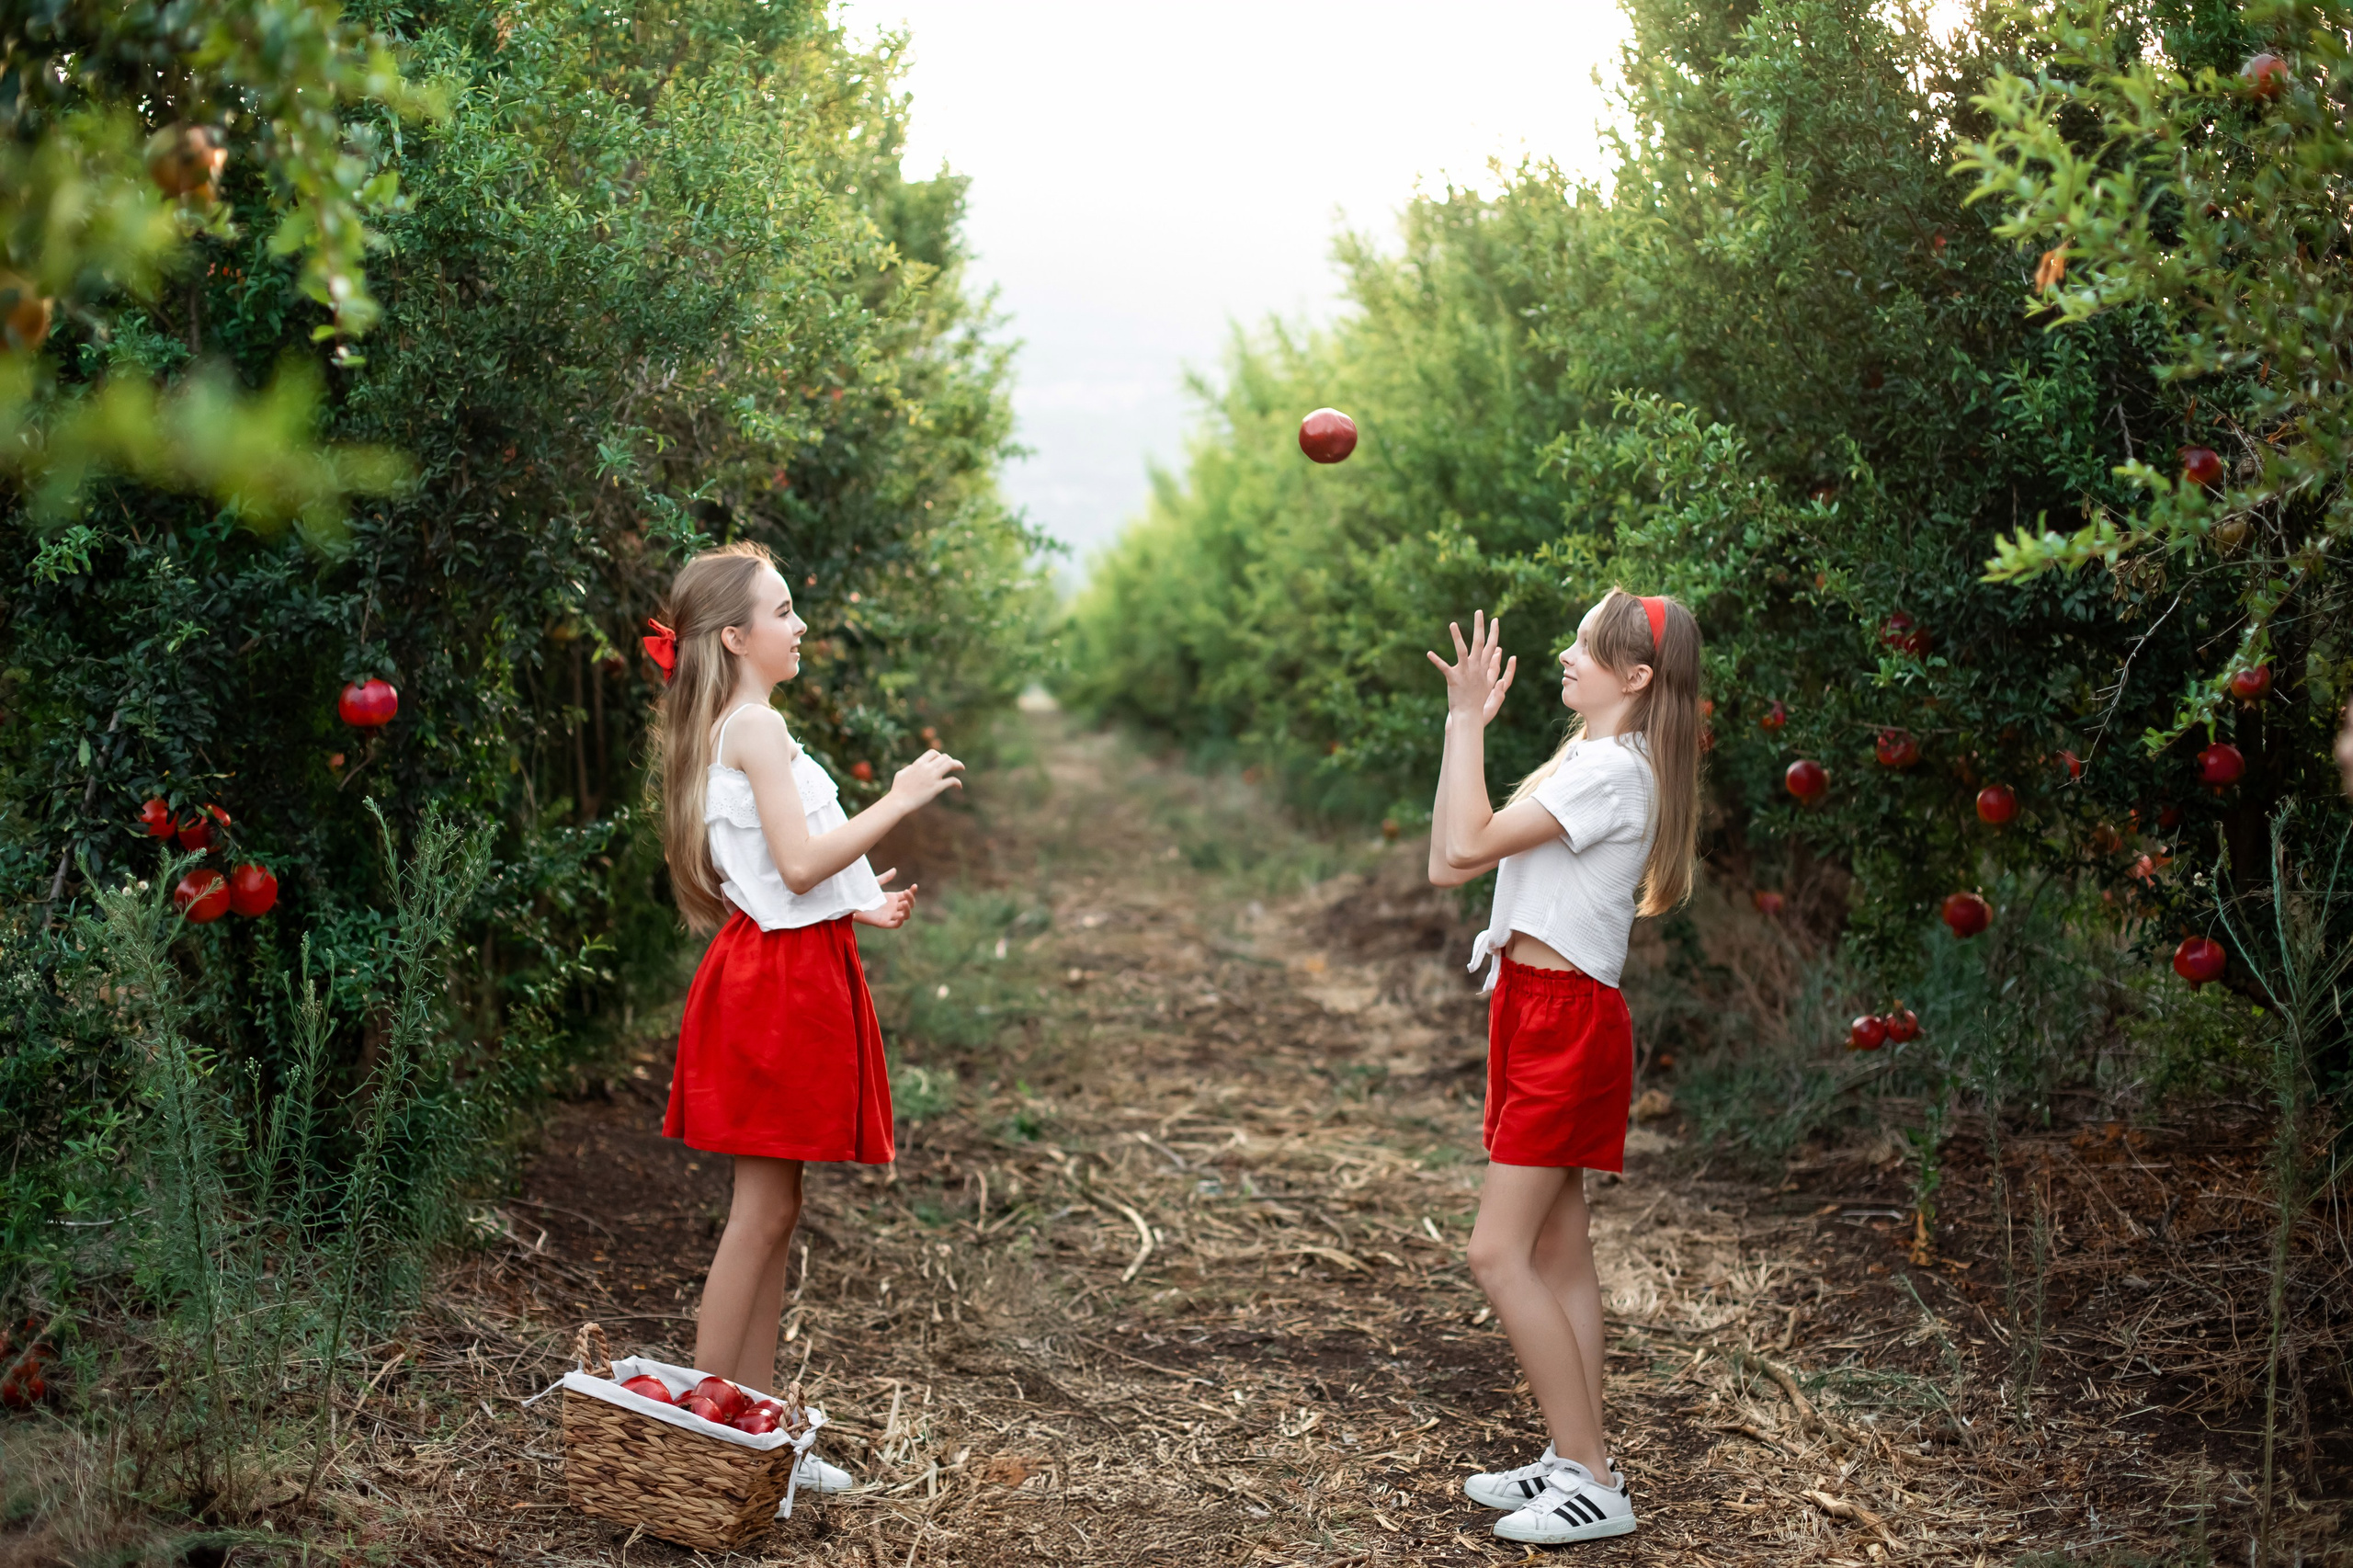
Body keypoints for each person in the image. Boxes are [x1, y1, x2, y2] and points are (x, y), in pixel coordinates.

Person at [648, 541, 963, 1499]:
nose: (799, 626)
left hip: (788, 965)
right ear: (734, 637)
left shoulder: (745, 726)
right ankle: (705, 1442)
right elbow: (792, 864)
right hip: (776, 986)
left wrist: (854, 903)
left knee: (775, 1210)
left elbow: (779, 870)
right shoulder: (753, 725)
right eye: (782, 611)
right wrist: (898, 798)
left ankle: (760, 1432)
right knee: (758, 1215)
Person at [1425, 588, 1702, 1546]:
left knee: (1494, 1252)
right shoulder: (1588, 758)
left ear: (1637, 676)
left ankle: (1592, 1479)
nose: (1565, 656)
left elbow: (1464, 846)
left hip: (1566, 1020)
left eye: (1587, 647)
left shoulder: (1614, 773)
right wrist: (1462, 728)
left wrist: (1469, 719)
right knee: (1557, 1250)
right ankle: (1576, 1459)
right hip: (1536, 1006)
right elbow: (1448, 860)